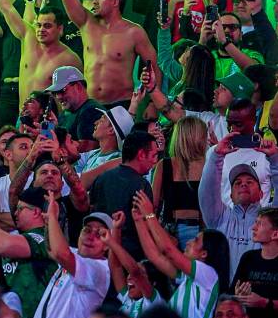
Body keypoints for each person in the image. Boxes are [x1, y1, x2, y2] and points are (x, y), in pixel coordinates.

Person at [41, 0, 159, 106]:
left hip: (122, 104)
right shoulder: (86, 23)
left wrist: (153, 104)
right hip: (90, 105)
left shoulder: (134, 32)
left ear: (115, 2)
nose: (94, 1)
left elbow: (153, 66)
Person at [134, 190, 230, 318]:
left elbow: (168, 250)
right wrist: (139, 221)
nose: (189, 242)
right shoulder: (188, 277)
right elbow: (154, 256)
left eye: (195, 240)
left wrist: (150, 214)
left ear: (204, 253)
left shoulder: (208, 273)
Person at [200, 128, 278, 278]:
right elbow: (207, 191)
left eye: (250, 181)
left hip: (258, 291)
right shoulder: (219, 218)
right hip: (224, 291)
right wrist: (216, 156)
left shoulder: (269, 220)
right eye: (237, 183)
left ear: (261, 193)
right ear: (230, 195)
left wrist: (275, 159)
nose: (243, 184)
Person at [0, 187, 57, 318]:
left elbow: (3, 246)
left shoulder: (43, 237)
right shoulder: (19, 239)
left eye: (20, 209)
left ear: (36, 212)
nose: (15, 213)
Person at [29, 205, 112, 318]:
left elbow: (60, 253)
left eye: (99, 234)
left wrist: (52, 218)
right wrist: (50, 222)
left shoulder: (100, 269)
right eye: (87, 230)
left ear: (107, 245)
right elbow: (52, 249)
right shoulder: (75, 254)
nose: (90, 237)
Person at [90, 131, 159, 259]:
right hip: (129, 256)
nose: (155, 161)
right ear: (141, 155)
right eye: (153, 155)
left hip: (99, 250)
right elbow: (146, 225)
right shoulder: (142, 185)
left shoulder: (101, 178)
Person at [151, 116, 207, 250]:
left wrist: (153, 228)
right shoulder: (208, 164)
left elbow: (152, 206)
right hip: (195, 229)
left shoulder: (164, 164)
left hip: (174, 229)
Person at [103, 211, 164, 318]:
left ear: (152, 282)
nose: (130, 277)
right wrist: (116, 229)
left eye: (142, 273)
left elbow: (135, 272)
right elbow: (115, 267)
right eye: (129, 274)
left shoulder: (154, 301)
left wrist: (110, 242)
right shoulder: (128, 299)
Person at [231, 207, 278, 318]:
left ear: (275, 234)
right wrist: (238, 296)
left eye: (260, 224)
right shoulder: (248, 257)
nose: (253, 228)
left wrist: (264, 302)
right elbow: (231, 294)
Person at [47, 67, 104, 153]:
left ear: (78, 87)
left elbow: (87, 150)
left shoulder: (91, 111)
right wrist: (48, 132)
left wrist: (56, 137)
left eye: (62, 90)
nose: (58, 97)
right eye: (55, 93)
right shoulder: (65, 114)